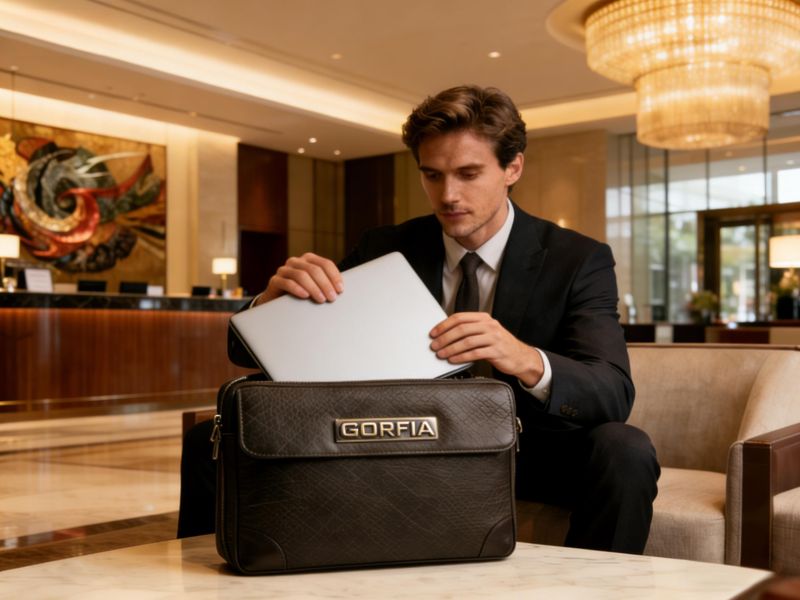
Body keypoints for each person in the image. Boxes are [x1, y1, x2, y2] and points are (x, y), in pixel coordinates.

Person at [178, 85, 660, 553]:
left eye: (469, 174)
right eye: (432, 175)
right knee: (209, 438)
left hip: (525, 452)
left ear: (512, 167)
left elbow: (612, 392)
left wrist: (524, 357)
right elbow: (244, 354)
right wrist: (270, 304)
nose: (448, 195)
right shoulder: (384, 247)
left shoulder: (578, 258)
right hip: (395, 445)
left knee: (625, 449)